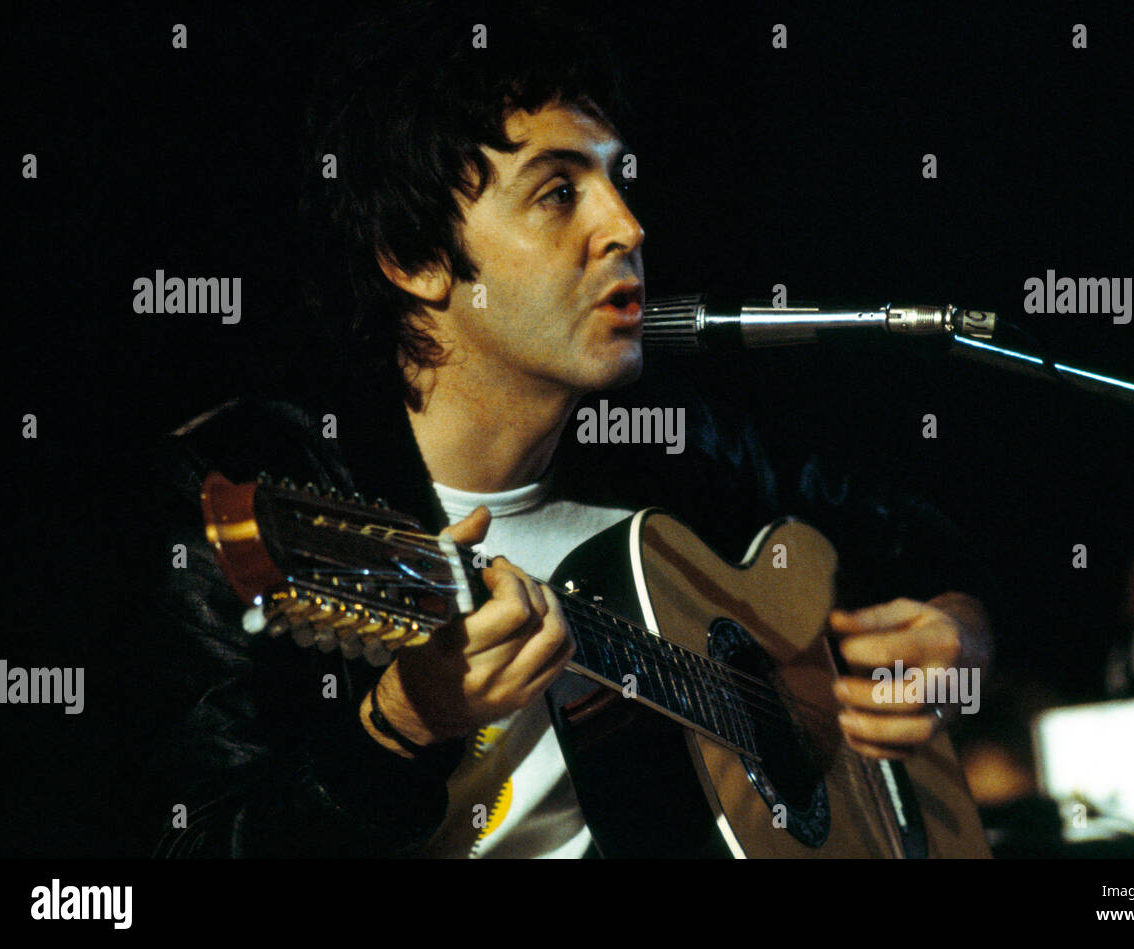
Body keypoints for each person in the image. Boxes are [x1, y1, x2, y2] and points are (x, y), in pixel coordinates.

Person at [136, 1, 997, 858]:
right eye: (558, 193)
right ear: (416, 257)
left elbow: (918, 548)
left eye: (615, 180)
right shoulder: (243, 485)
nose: (626, 226)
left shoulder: (668, 446)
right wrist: (396, 727)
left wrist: (958, 635)